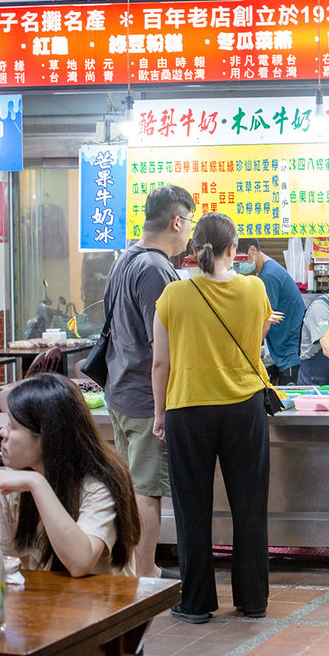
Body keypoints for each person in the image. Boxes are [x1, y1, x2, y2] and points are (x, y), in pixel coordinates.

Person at [152, 212, 274, 623]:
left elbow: (159, 364)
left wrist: (158, 415)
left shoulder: (173, 295)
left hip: (188, 408)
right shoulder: (255, 289)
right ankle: (253, 600)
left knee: (192, 508)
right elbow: (255, 339)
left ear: (194, 248)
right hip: (245, 408)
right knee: (250, 505)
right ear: (233, 249)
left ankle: (197, 603)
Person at [102, 183, 194, 578]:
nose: (189, 232)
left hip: (120, 390)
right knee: (146, 490)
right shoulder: (156, 270)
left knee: (130, 487)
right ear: (177, 221)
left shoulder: (125, 259)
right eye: (188, 223)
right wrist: (162, 410)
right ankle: (144, 574)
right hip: (144, 400)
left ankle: (131, 569)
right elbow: (162, 351)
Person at [0, 373, 140, 577]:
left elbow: (80, 562)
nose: (2, 432)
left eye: (13, 426)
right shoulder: (16, 484)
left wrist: (37, 484)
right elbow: (11, 567)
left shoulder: (99, 483)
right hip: (46, 603)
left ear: (47, 437)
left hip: (104, 603)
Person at [238, 238, 307, 386]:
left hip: (290, 355)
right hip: (287, 352)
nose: (239, 267)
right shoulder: (270, 269)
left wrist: (245, 353)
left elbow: (265, 323)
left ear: (252, 251)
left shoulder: (269, 276)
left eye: (241, 260)